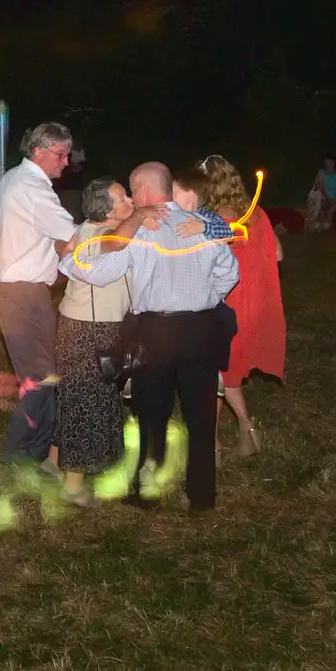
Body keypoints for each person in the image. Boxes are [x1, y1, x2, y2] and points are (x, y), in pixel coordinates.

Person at [60, 162, 239, 511]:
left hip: (156, 331)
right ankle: (202, 496)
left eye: (131, 190)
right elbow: (229, 274)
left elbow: (100, 272)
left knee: (152, 413)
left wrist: (67, 261)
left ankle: (147, 493)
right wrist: (203, 300)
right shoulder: (200, 225)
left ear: (142, 192)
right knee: (201, 416)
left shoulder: (140, 230)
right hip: (200, 330)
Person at [0, 122, 79, 467]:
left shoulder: (7, 181)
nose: (66, 162)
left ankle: (35, 452)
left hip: (11, 288)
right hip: (23, 292)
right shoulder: (35, 188)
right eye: (61, 154)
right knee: (41, 377)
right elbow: (74, 236)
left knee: (42, 373)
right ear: (39, 151)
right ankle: (14, 456)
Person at [186, 156, 286, 457]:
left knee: (217, 373)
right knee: (226, 372)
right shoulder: (255, 212)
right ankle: (246, 430)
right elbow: (278, 254)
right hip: (254, 304)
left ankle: (214, 443)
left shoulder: (211, 221)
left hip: (227, 303)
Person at [54, 178, 135, 507]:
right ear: (107, 211)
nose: (130, 201)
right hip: (88, 329)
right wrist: (142, 218)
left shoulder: (89, 228)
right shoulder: (108, 237)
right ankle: (73, 486)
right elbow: (104, 271)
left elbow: (66, 256)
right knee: (85, 404)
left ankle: (82, 471)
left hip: (85, 324)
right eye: (123, 199)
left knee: (88, 401)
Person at [308, 155, 336, 232]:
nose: (327, 164)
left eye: (329, 162)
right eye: (326, 162)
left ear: (334, 163)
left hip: (335, 197)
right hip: (324, 196)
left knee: (332, 208)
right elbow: (321, 189)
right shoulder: (322, 173)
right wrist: (329, 199)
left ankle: (328, 226)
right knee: (324, 205)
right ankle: (320, 226)